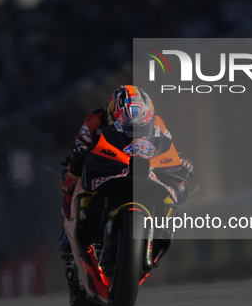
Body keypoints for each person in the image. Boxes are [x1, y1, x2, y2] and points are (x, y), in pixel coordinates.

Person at [59, 85, 194, 252]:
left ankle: (162, 228)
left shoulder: (158, 125)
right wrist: (78, 151)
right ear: (111, 114)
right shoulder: (94, 121)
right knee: (72, 171)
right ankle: (68, 222)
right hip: (107, 162)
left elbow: (167, 147)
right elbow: (79, 144)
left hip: (141, 166)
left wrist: (179, 161)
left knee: (174, 179)